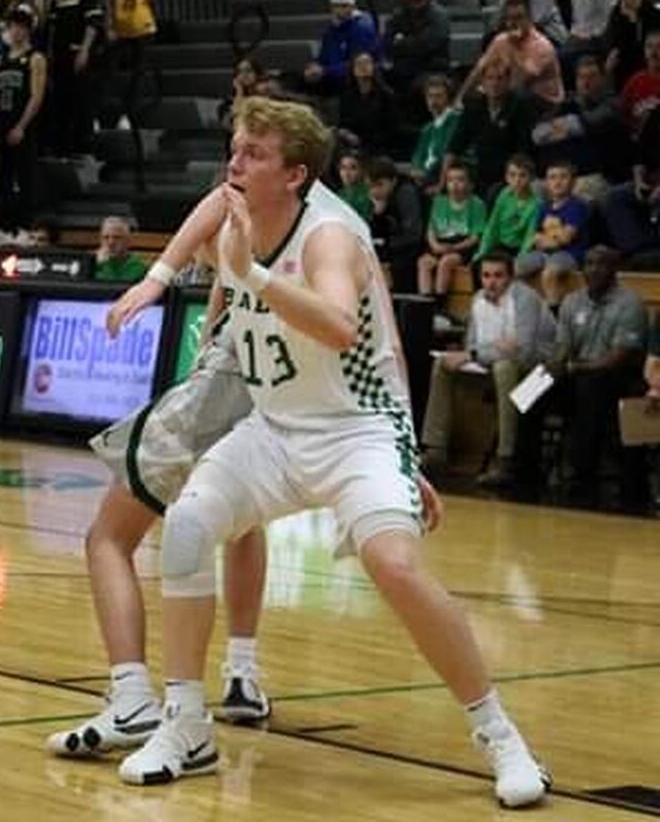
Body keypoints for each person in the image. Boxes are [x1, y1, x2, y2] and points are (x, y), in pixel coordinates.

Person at [115, 97, 548, 808]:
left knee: (396, 566)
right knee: (188, 528)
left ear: (296, 175)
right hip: (277, 427)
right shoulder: (240, 200)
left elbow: (342, 327)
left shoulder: (329, 237)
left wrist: (250, 274)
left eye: (253, 153)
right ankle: (186, 723)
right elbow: (207, 208)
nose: (234, 162)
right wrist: (158, 277)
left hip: (359, 431)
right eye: (236, 145)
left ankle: (500, 735)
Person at [421, 252, 555, 487]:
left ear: (511, 277)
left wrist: (481, 353)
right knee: (443, 363)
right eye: (486, 275)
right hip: (499, 364)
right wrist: (493, 349)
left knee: (504, 368)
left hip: (545, 373)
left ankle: (505, 460)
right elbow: (471, 345)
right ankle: (435, 450)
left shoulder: (526, 299)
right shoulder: (478, 300)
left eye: (498, 276)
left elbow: (523, 353)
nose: (491, 282)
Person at [538, 247, 651, 510]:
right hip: (576, 373)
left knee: (590, 387)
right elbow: (562, 347)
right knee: (531, 387)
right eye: (588, 263)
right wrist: (551, 368)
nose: (593, 269)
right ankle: (519, 467)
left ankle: (583, 479)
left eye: (601, 264)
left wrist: (576, 367)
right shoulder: (571, 301)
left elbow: (620, 356)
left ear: (615, 269)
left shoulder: (629, 303)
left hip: (617, 378)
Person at [0, 5, 48, 233]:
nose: (15, 31)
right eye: (12, 27)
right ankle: (0, 227)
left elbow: (37, 95)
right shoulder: (1, 58)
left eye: (20, 27)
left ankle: (23, 227)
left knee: (23, 178)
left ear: (27, 30)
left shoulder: (35, 58)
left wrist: (21, 126)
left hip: (21, 123)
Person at [48, 0, 104, 153]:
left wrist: (84, 49)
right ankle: (63, 148)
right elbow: (50, 22)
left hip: (78, 50)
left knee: (81, 102)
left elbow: (93, 21)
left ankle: (84, 148)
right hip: (59, 53)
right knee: (62, 103)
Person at [534, 56, 621, 196]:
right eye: (581, 77)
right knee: (533, 189)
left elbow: (589, 123)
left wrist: (565, 127)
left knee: (578, 193)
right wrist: (568, 128)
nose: (586, 82)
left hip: (593, 175)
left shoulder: (612, 104)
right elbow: (538, 133)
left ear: (603, 78)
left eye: (592, 77)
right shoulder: (566, 102)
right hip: (559, 174)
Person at [449, 63, 536, 194]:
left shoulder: (520, 106)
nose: (494, 83)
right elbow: (454, 146)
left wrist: (513, 179)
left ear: (508, 81)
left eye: (500, 78)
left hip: (509, 174)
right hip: (479, 171)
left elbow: (523, 150)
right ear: (482, 82)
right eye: (490, 78)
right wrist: (442, 181)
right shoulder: (473, 106)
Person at [461, 0, 564, 106]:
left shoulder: (542, 46)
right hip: (513, 98)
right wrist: (460, 100)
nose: (513, 23)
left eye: (518, 18)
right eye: (509, 18)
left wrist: (514, 46)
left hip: (544, 102)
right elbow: (479, 70)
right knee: (476, 97)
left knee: (510, 96)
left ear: (529, 19)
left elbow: (519, 82)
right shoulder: (500, 40)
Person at [516, 160, 590, 304]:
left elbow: (565, 239)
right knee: (517, 266)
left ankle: (553, 315)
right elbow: (535, 237)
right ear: (546, 183)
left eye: (563, 177)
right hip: (544, 254)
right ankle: (522, 309)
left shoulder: (577, 206)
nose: (558, 182)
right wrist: (552, 239)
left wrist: (549, 240)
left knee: (549, 273)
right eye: (552, 177)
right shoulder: (544, 207)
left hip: (570, 254)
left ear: (573, 182)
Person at [383, 0, 453, 101]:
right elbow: (387, 45)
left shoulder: (439, 15)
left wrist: (402, 42)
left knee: (417, 87)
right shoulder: (398, 14)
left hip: (432, 70)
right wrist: (410, 42)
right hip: (402, 71)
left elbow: (427, 46)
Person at [418, 164, 486, 298]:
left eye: (460, 180)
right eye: (450, 180)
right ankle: (424, 303)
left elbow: (475, 238)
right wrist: (435, 245)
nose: (454, 184)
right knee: (424, 262)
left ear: (470, 184)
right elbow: (431, 230)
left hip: (462, 245)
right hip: (441, 243)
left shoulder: (477, 204)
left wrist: (454, 247)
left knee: (446, 262)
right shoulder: (438, 202)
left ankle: (439, 302)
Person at [302, 0, 379, 96]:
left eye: (344, 6)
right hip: (331, 77)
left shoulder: (362, 28)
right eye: (336, 6)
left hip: (352, 81)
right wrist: (315, 67)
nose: (339, 10)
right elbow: (324, 57)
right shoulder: (331, 30)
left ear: (352, 7)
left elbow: (359, 65)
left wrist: (325, 70)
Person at [367, 157, 424, 293]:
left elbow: (413, 235)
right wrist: (378, 214)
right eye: (371, 186)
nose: (375, 191)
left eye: (380, 185)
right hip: (394, 246)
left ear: (393, 180)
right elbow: (376, 233)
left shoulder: (406, 193)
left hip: (413, 248)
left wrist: (386, 246)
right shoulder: (379, 199)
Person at [336, 52, 401, 157]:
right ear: (353, 70)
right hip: (352, 146)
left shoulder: (386, 95)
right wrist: (346, 134)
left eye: (367, 63)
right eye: (359, 64)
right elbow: (343, 124)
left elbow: (392, 129)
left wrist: (365, 144)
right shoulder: (347, 96)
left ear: (374, 67)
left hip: (379, 148)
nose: (363, 67)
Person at [478, 153, 542, 258]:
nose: (517, 180)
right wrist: (482, 252)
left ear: (532, 178)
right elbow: (492, 225)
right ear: (506, 177)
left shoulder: (536, 204)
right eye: (512, 175)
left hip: (519, 248)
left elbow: (529, 236)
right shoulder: (504, 194)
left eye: (523, 175)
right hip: (500, 244)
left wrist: (520, 258)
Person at [601, 0, 660, 88]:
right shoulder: (616, 15)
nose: (628, 1)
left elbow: (642, 45)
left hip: (648, 58)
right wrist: (627, 21)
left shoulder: (653, 15)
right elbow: (612, 44)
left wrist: (632, 21)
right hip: (623, 61)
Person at [410, 74, 462, 191]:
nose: (434, 101)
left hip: (440, 176)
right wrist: (416, 169)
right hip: (423, 176)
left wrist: (425, 173)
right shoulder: (428, 128)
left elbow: (447, 153)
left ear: (447, 97)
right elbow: (418, 154)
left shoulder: (455, 120)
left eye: (438, 96)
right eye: (430, 96)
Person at [94, 215, 147, 282]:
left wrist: (104, 265)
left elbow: (114, 287)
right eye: (106, 237)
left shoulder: (138, 268)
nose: (111, 242)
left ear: (127, 241)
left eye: (117, 237)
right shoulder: (92, 265)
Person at [336, 150, 373, 224]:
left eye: (353, 168)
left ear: (362, 170)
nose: (347, 173)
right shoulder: (339, 194)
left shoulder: (368, 194)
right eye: (343, 168)